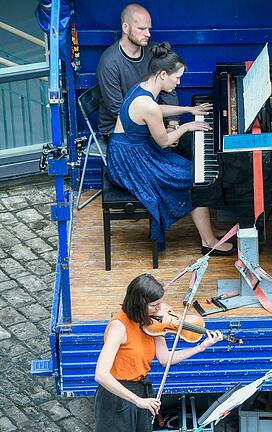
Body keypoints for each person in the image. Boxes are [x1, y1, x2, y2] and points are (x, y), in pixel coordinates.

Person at [106, 42, 233, 255]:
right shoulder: (147, 104)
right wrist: (186, 126)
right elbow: (164, 142)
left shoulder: (142, 87)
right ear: (164, 74)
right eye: (177, 77)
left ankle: (208, 230)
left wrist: (188, 109)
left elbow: (158, 109)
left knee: (191, 170)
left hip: (128, 151)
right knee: (194, 178)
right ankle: (208, 241)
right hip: (129, 163)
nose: (179, 82)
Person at [94, 274, 224, 431]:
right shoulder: (119, 327)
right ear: (140, 304)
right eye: (155, 305)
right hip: (117, 396)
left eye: (161, 303)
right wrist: (137, 400)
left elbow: (165, 358)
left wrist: (200, 347)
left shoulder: (151, 322)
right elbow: (101, 375)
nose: (160, 309)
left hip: (141, 390)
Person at [97, 3, 189, 156]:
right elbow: (118, 111)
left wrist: (173, 124)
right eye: (141, 29)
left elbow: (168, 89)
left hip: (151, 121)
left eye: (149, 28)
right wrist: (159, 132)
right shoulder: (109, 63)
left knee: (190, 143)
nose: (148, 34)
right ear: (125, 28)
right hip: (121, 132)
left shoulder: (152, 52)